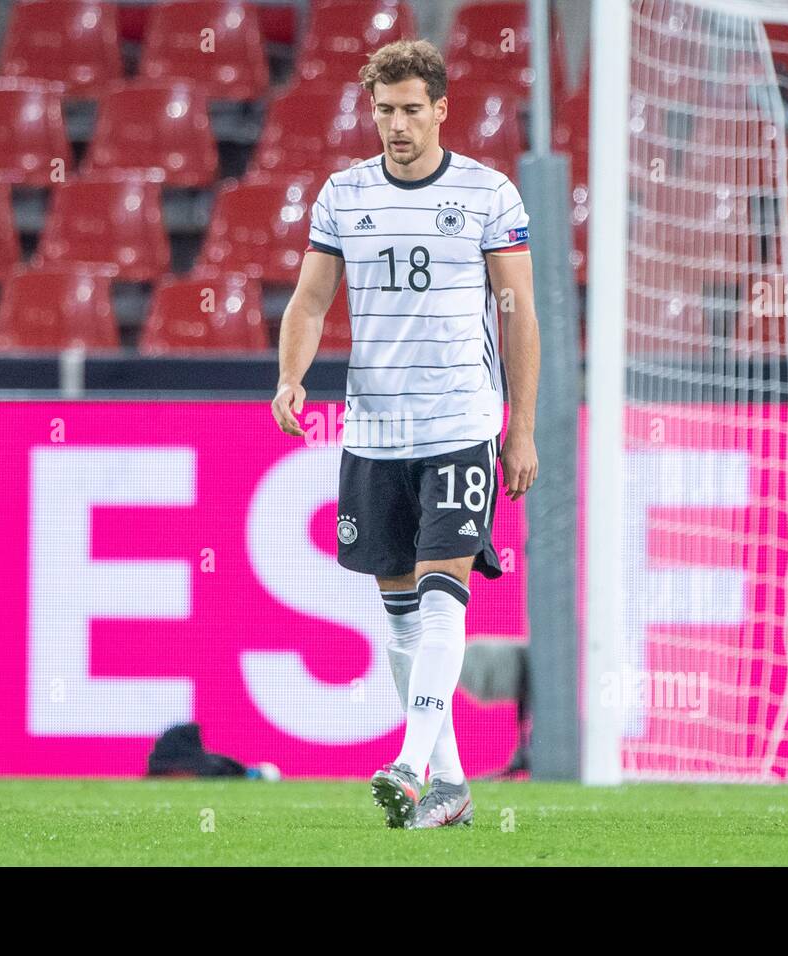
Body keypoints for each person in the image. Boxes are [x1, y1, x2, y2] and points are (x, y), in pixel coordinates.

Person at [271, 39, 540, 828]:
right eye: (384, 110)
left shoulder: (490, 195)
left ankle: (410, 760)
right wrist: (291, 376)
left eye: (411, 110)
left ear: (441, 110)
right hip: (374, 429)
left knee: (443, 589)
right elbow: (312, 301)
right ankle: (449, 786)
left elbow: (518, 318)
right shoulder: (343, 195)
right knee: (398, 610)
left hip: (459, 420)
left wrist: (519, 428)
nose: (396, 124)